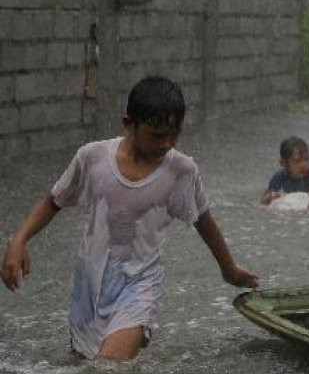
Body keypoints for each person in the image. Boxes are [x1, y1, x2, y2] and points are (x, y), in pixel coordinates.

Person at [1, 76, 259, 361]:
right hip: (90, 284)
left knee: (108, 366)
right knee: (83, 362)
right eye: (156, 134)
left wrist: (229, 268)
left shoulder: (181, 171)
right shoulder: (93, 158)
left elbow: (203, 219)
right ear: (128, 123)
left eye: (174, 134)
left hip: (140, 284)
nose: (166, 143)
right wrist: (19, 240)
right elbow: (53, 201)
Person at [261, 136, 309, 209]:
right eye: (297, 161)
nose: (304, 165)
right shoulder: (280, 176)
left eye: (307, 159)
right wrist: (272, 196)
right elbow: (265, 199)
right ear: (284, 163)